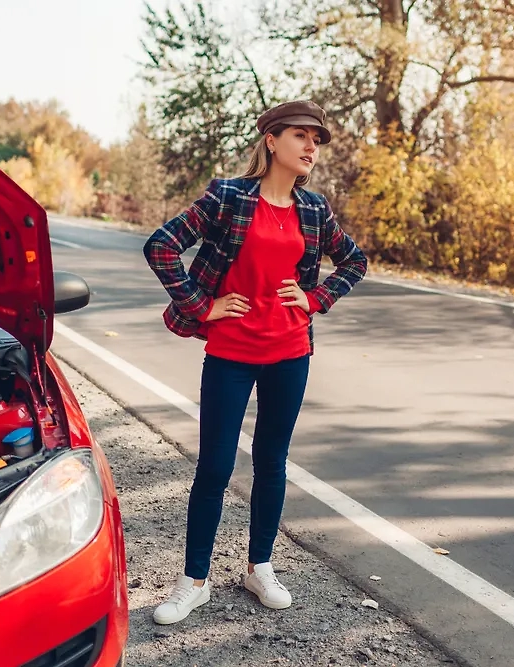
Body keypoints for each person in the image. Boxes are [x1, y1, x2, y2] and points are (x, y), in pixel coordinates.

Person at [142, 100, 367, 625]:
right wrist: (202, 306)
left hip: (290, 352)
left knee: (271, 462)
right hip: (230, 353)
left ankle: (259, 567)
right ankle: (193, 581)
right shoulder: (228, 197)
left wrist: (314, 299)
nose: (312, 146)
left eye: (316, 139)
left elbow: (355, 260)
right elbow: (162, 247)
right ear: (271, 140)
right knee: (215, 467)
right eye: (300, 136)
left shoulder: (314, 209)